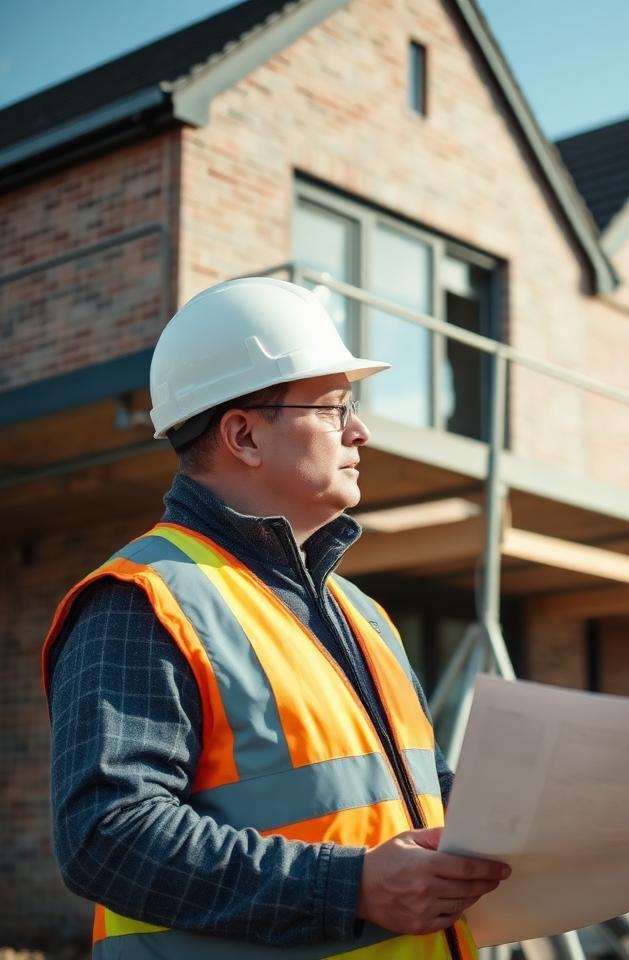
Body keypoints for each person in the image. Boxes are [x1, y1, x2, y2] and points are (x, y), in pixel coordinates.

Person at [43, 277, 508, 960]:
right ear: (243, 435)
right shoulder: (142, 600)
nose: (360, 429)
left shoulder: (363, 614)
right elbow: (107, 836)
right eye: (332, 408)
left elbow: (421, 795)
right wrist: (348, 888)